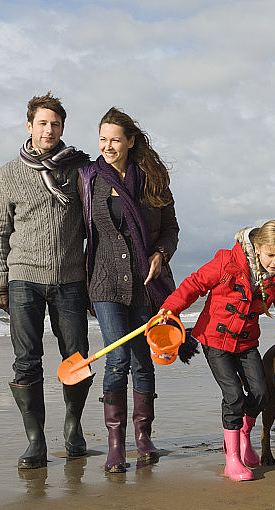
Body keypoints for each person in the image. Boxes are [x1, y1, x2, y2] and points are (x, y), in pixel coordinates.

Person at [159, 220, 275, 482]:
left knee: (261, 393)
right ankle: (232, 458)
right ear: (257, 247)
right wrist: (170, 309)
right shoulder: (227, 262)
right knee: (234, 396)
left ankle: (244, 437)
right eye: (271, 255)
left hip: (247, 342)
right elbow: (194, 284)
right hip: (214, 339)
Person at [0, 92, 92, 469]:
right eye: (43, 123)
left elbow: (96, 226)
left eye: (56, 124)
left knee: (77, 359)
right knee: (26, 362)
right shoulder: (9, 174)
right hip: (24, 281)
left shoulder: (81, 170)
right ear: (29, 126)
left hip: (70, 281)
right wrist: (1, 281)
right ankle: (35, 441)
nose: (49, 130)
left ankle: (73, 425)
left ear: (63, 128)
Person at [79, 107, 180, 473]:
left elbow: (171, 228)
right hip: (105, 280)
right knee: (118, 358)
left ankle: (143, 437)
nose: (108, 146)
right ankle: (115, 443)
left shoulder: (153, 181)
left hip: (145, 281)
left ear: (130, 141)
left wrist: (160, 254)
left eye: (115, 140)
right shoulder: (89, 178)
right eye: (102, 139)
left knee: (142, 361)